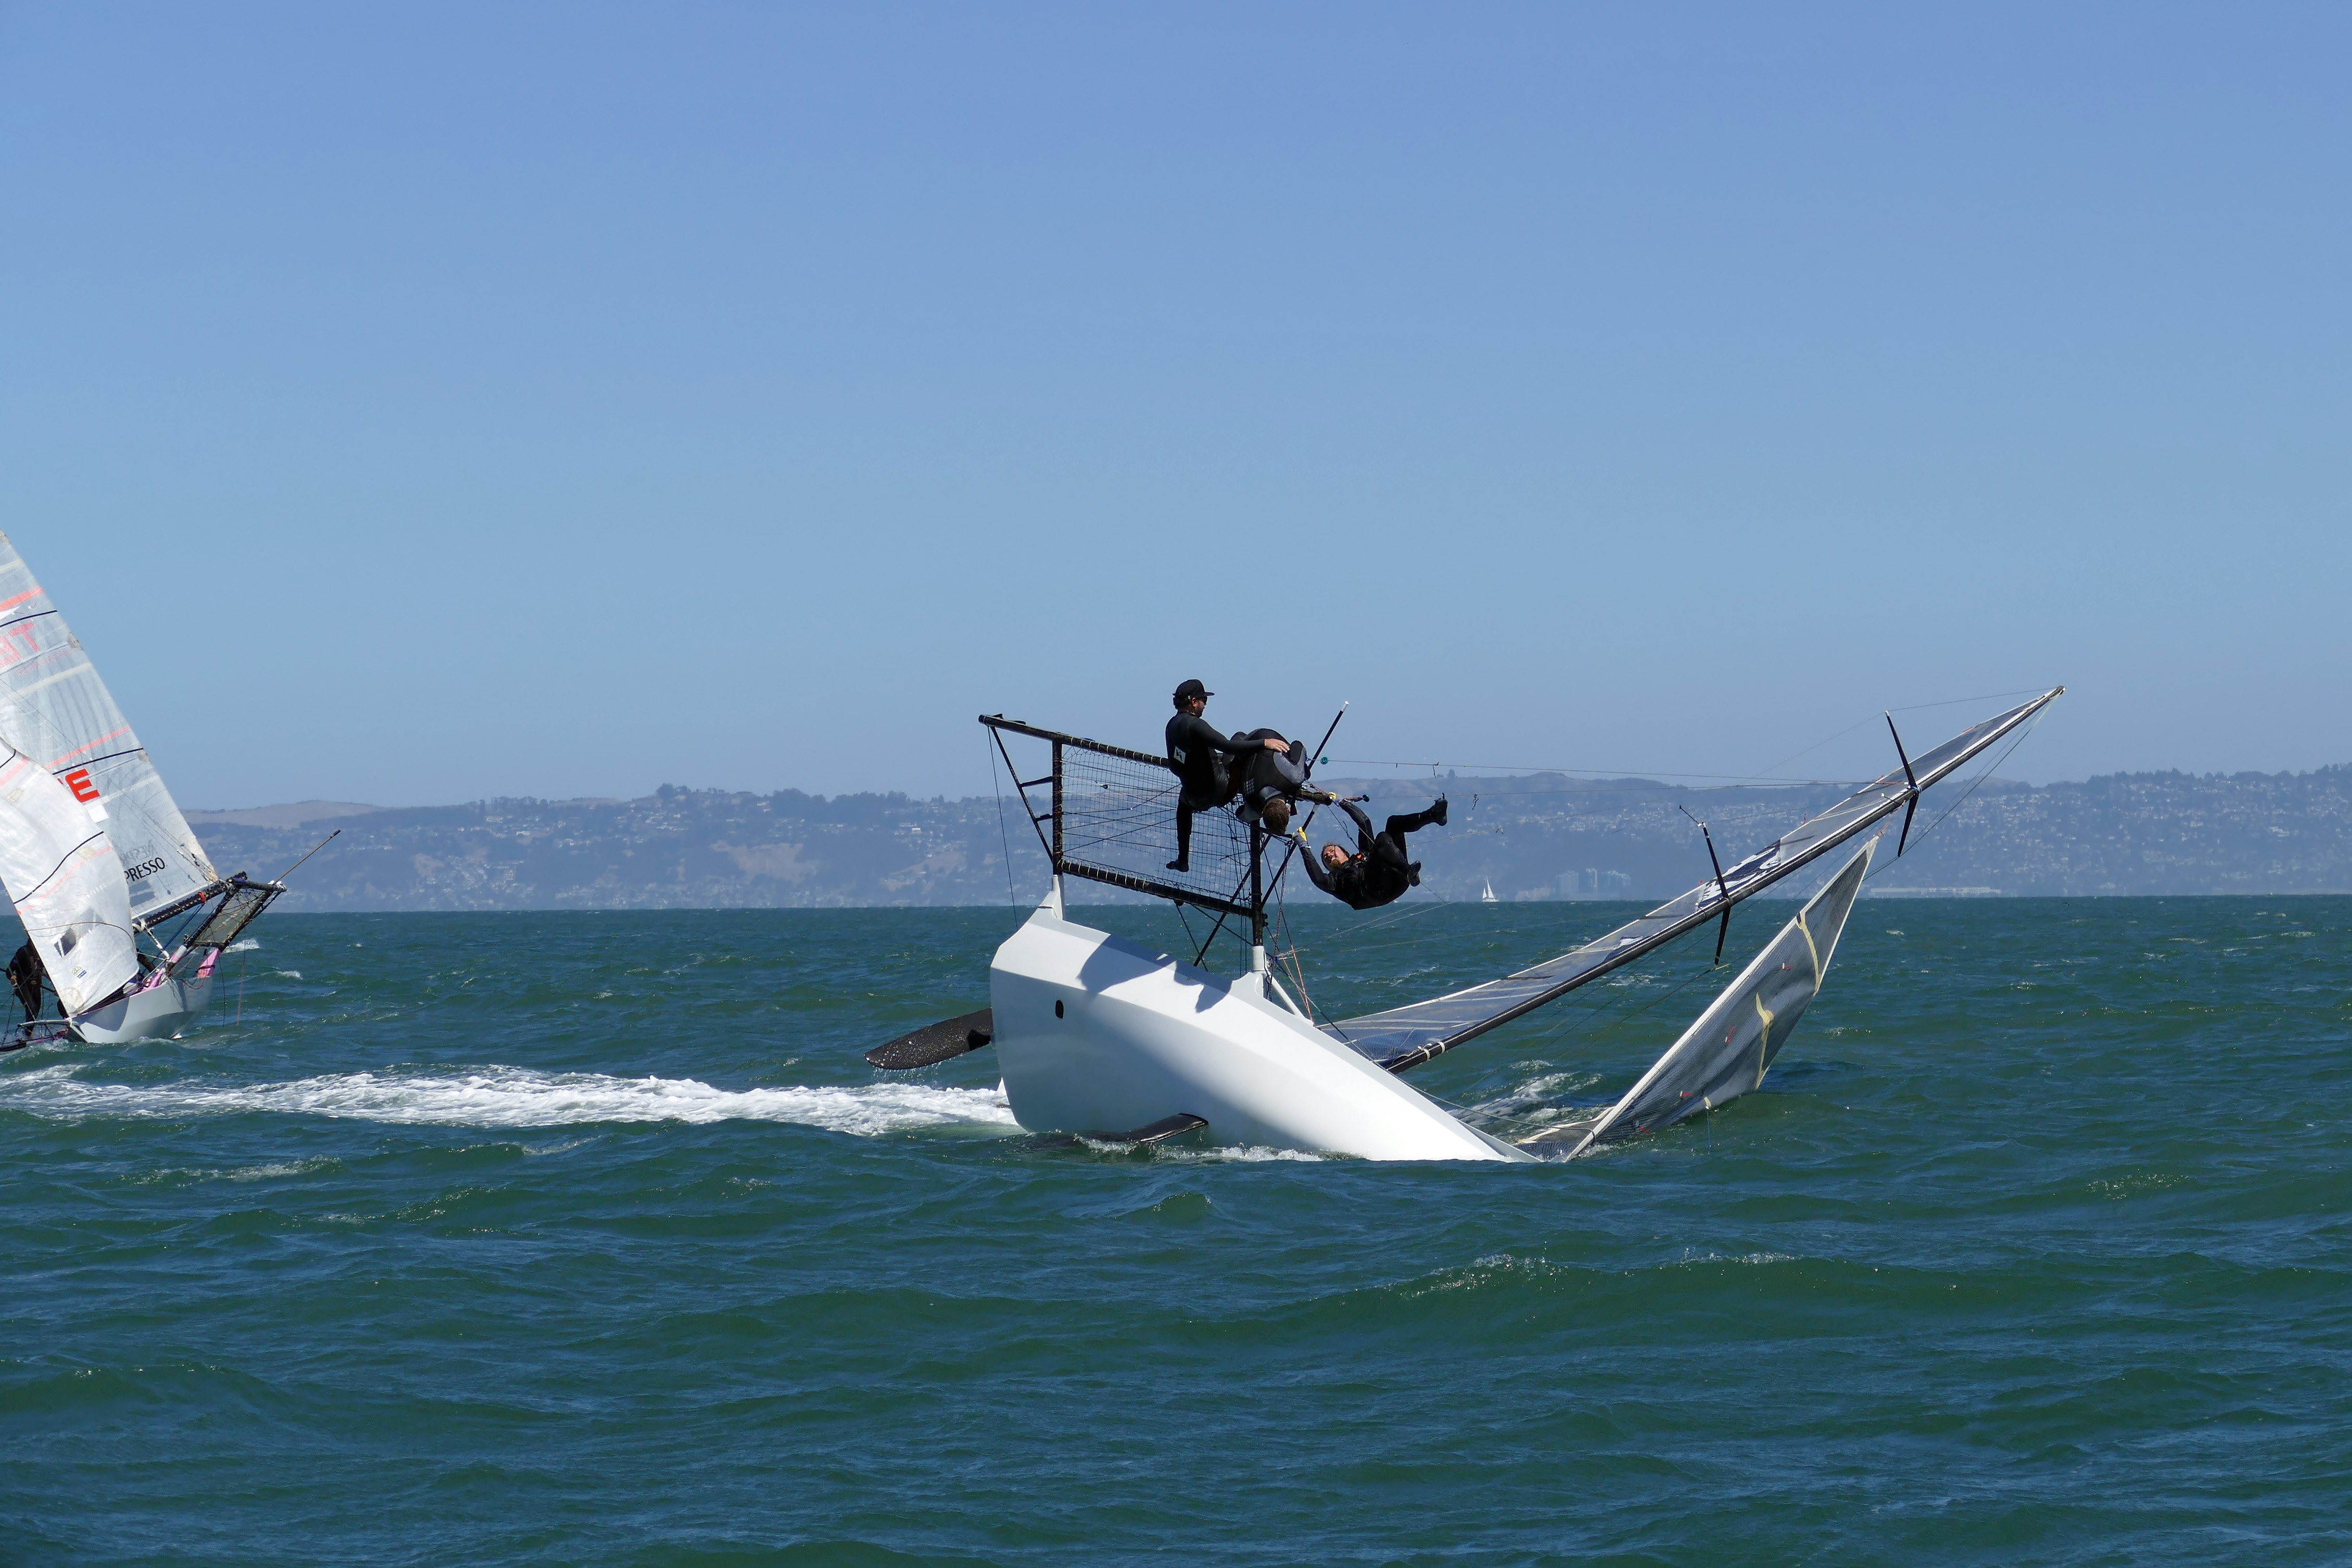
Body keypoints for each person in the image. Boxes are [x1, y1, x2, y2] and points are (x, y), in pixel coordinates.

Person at [1164, 679, 1290, 873]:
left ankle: (1183, 860)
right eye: (1204, 700)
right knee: (1239, 737)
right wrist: (1264, 743)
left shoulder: (1171, 726)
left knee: (1183, 807)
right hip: (1221, 790)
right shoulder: (1196, 725)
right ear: (1194, 702)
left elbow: (1176, 763)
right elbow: (1228, 747)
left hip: (1193, 796)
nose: (1205, 705)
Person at [1295, 796, 1449, 911]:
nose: (1329, 855)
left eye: (1331, 850)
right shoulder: (1334, 881)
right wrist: (1304, 846)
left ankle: (1433, 815)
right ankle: (1408, 871)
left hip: (1399, 881)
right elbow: (1317, 878)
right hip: (1376, 892)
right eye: (1325, 858)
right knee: (1382, 838)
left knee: (1393, 823)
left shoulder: (1364, 854)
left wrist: (1342, 803)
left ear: (1345, 852)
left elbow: (1364, 822)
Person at [8, 939, 44, 1022]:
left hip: (36, 987)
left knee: (36, 1012)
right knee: (32, 1010)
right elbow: (9, 970)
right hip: (23, 986)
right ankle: (26, 1030)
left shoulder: (42, 952)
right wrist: (12, 977)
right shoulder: (23, 951)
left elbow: (50, 972)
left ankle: (28, 1030)